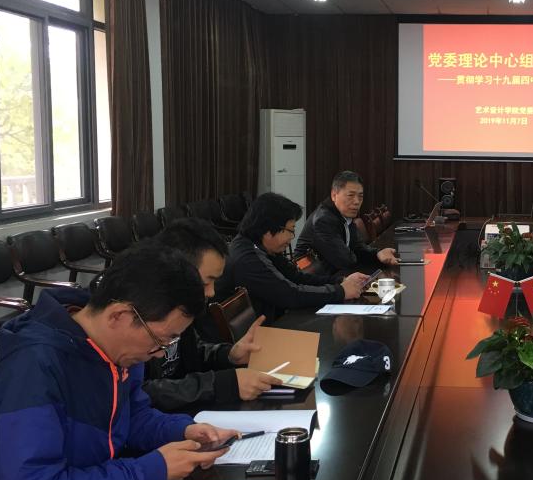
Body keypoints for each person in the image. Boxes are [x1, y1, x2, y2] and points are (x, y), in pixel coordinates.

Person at [0, 246, 240, 480]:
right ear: (119, 316)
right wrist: (146, 471)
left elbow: (132, 418)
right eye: (161, 339)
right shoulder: (34, 368)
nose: (160, 353)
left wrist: (183, 431)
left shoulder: (117, 350)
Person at [143, 218, 280, 410]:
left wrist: (230, 355)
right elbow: (142, 394)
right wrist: (225, 384)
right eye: (206, 282)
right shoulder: (138, 316)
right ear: (176, 272)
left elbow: (194, 352)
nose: (212, 292)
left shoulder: (183, 308)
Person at [218, 191, 367, 320]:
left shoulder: (262, 246)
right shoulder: (247, 259)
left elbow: (296, 277)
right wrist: (340, 291)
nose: (292, 238)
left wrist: (340, 281)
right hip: (255, 336)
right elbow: (289, 295)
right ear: (269, 229)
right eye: (290, 230)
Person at [294, 170, 399, 276]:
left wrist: (378, 254)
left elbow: (357, 248)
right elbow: (345, 261)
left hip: (334, 273)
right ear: (334, 195)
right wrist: (360, 255)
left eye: (360, 196)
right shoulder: (323, 220)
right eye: (350, 195)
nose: (357, 201)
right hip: (313, 279)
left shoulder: (343, 215)